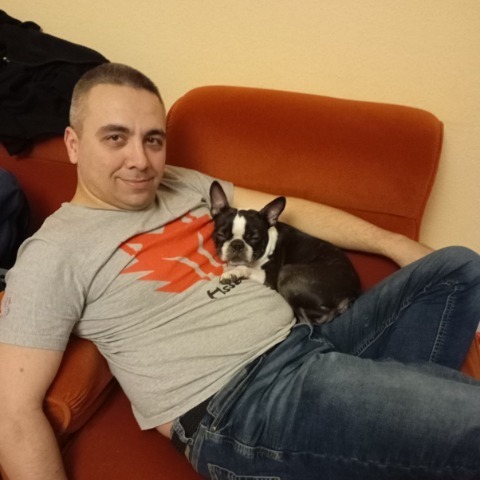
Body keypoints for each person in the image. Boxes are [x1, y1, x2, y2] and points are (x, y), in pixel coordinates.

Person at [0, 63, 479, 480]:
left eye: (153, 139)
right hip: (241, 406)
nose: (141, 161)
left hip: (308, 340)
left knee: (458, 266)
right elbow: (11, 413)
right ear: (73, 144)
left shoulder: (181, 182)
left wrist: (396, 243)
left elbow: (292, 212)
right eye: (115, 138)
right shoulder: (53, 253)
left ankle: (389, 441)